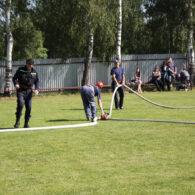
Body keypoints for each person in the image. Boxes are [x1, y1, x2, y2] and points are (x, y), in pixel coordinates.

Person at [13, 59, 40, 128]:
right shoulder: (21, 70)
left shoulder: (34, 72)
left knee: (29, 107)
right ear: (26, 64)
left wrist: (37, 89)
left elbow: (37, 81)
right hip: (21, 90)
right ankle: (17, 121)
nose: (30, 66)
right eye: (29, 64)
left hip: (29, 92)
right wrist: (16, 84)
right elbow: (14, 78)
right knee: (21, 104)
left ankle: (26, 124)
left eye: (31, 65)